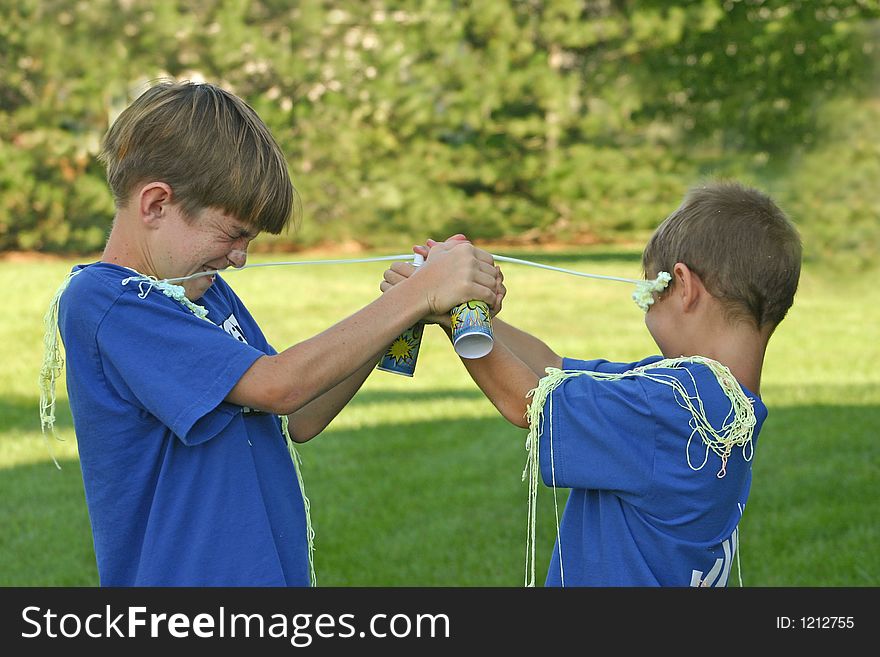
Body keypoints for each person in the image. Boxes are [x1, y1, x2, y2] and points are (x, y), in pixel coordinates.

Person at [44, 80, 502, 587]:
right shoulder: (107, 302)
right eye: (232, 234)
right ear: (155, 204)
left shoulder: (202, 292)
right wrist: (413, 297)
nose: (239, 257)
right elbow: (279, 386)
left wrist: (400, 312)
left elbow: (299, 416)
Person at [382, 181, 802, 586]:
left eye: (647, 291)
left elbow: (529, 402)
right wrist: (470, 309)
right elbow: (552, 368)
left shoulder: (674, 402)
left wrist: (459, 314)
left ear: (684, 287)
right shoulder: (710, 399)